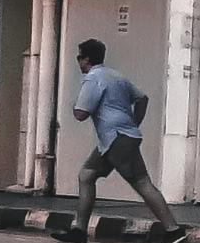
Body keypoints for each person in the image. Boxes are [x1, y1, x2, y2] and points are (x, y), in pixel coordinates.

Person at [66, 40, 163, 224]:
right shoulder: (115, 76)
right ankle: (79, 230)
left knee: (142, 183)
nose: (78, 62)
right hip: (113, 139)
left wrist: (74, 105)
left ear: (86, 59)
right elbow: (142, 99)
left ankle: (172, 229)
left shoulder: (93, 78)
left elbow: (81, 114)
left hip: (117, 140)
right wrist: (133, 124)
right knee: (86, 175)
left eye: (79, 57)